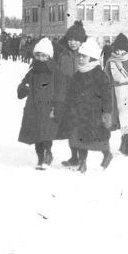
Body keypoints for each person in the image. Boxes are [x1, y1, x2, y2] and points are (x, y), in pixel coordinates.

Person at [16, 38, 65, 169]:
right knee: (36, 134)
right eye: (37, 55)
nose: (40, 58)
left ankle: (48, 154)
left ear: (49, 56)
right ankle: (40, 158)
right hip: (33, 108)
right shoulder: (32, 71)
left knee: (46, 134)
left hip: (48, 107)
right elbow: (22, 88)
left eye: (43, 55)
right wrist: (23, 88)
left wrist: (57, 106)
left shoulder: (55, 71)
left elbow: (60, 90)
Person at [66, 38, 113, 173]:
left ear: (92, 58)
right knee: (80, 139)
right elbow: (71, 93)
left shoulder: (100, 75)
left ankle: (107, 154)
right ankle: (83, 163)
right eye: (79, 56)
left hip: (95, 114)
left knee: (98, 140)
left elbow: (107, 96)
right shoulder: (77, 74)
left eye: (84, 56)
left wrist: (107, 113)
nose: (80, 59)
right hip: (79, 112)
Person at [55, 21, 87, 167]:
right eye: (70, 39)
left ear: (82, 41)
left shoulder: (87, 56)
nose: (73, 42)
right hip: (66, 98)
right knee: (70, 129)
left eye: (76, 40)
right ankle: (74, 157)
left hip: (82, 99)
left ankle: (82, 160)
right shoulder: (62, 54)